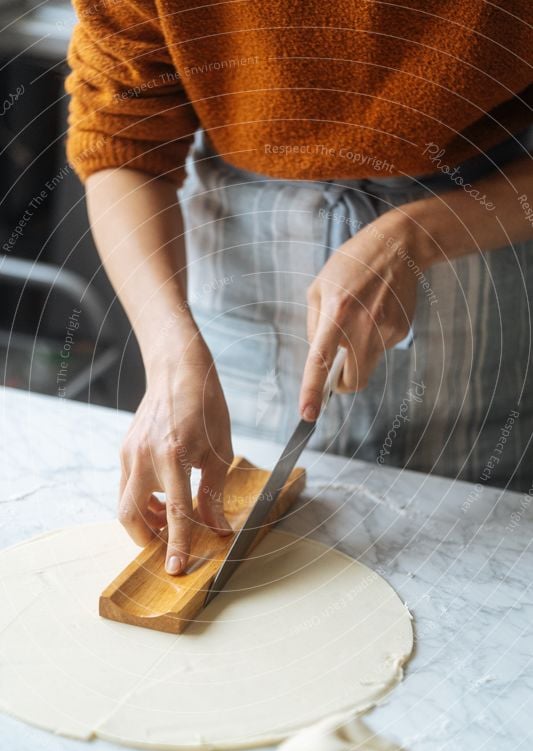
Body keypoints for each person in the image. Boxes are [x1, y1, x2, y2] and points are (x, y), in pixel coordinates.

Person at [66, 1, 533, 574]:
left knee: (479, 550)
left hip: (488, 225)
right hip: (247, 254)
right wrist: (168, 352)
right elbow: (120, 141)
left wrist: (417, 235)